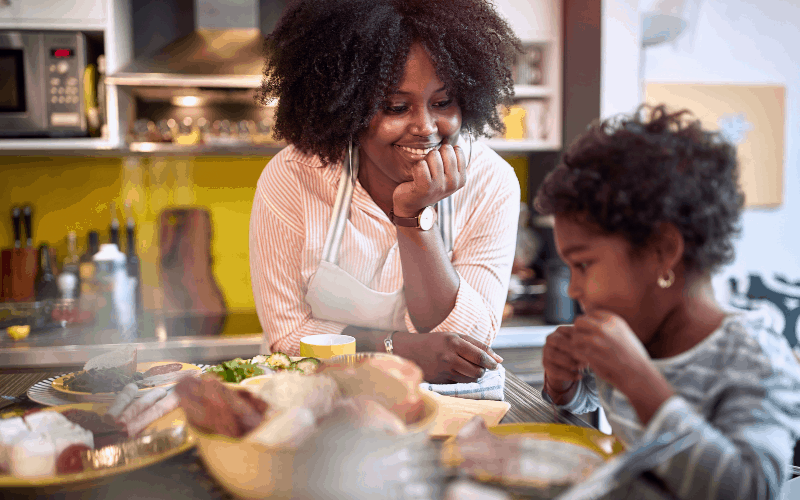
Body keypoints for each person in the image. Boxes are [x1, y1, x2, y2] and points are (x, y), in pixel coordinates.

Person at [249, 0, 522, 384]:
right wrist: (398, 348)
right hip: (316, 405)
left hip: (446, 410)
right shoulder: (294, 176)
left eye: (442, 103)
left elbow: (470, 342)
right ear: (345, 106)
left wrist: (413, 219)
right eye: (396, 107)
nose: (426, 127)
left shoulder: (490, 181)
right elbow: (288, 336)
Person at [535, 105, 800, 499]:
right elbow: (585, 420)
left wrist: (642, 382)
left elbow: (750, 490)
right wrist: (565, 386)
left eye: (583, 264)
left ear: (662, 251)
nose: (573, 289)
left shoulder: (756, 360)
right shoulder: (636, 332)